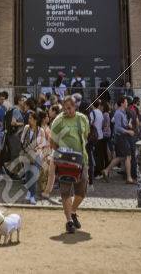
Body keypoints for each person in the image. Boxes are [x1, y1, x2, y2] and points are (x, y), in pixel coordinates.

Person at [51, 93, 90, 235]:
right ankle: (69, 221)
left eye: (69, 108)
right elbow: (52, 141)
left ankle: (73, 211)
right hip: (64, 163)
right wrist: (61, 156)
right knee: (65, 192)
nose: (66, 111)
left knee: (81, 192)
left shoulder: (82, 119)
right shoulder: (58, 121)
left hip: (82, 161)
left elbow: (86, 136)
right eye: (64, 108)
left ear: (75, 107)